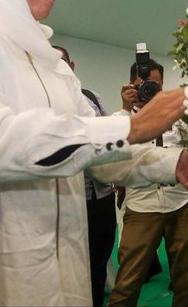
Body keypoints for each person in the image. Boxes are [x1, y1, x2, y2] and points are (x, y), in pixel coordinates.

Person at [0, 0, 188, 306]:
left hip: (63, 263)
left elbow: (100, 150)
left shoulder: (48, 58)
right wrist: (134, 125)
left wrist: (178, 165)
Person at [109, 60, 188, 307]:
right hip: (141, 207)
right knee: (127, 284)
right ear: (131, 85)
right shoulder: (121, 120)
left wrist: (187, 114)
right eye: (142, 85)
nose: (148, 90)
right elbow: (113, 157)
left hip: (182, 204)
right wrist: (125, 110)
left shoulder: (177, 116)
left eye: (155, 85)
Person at [54, 45, 117, 307]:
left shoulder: (91, 97)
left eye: (62, 62)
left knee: (99, 260)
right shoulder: (42, 103)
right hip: (68, 200)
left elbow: (107, 139)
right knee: (70, 266)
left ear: (72, 66)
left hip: (101, 196)